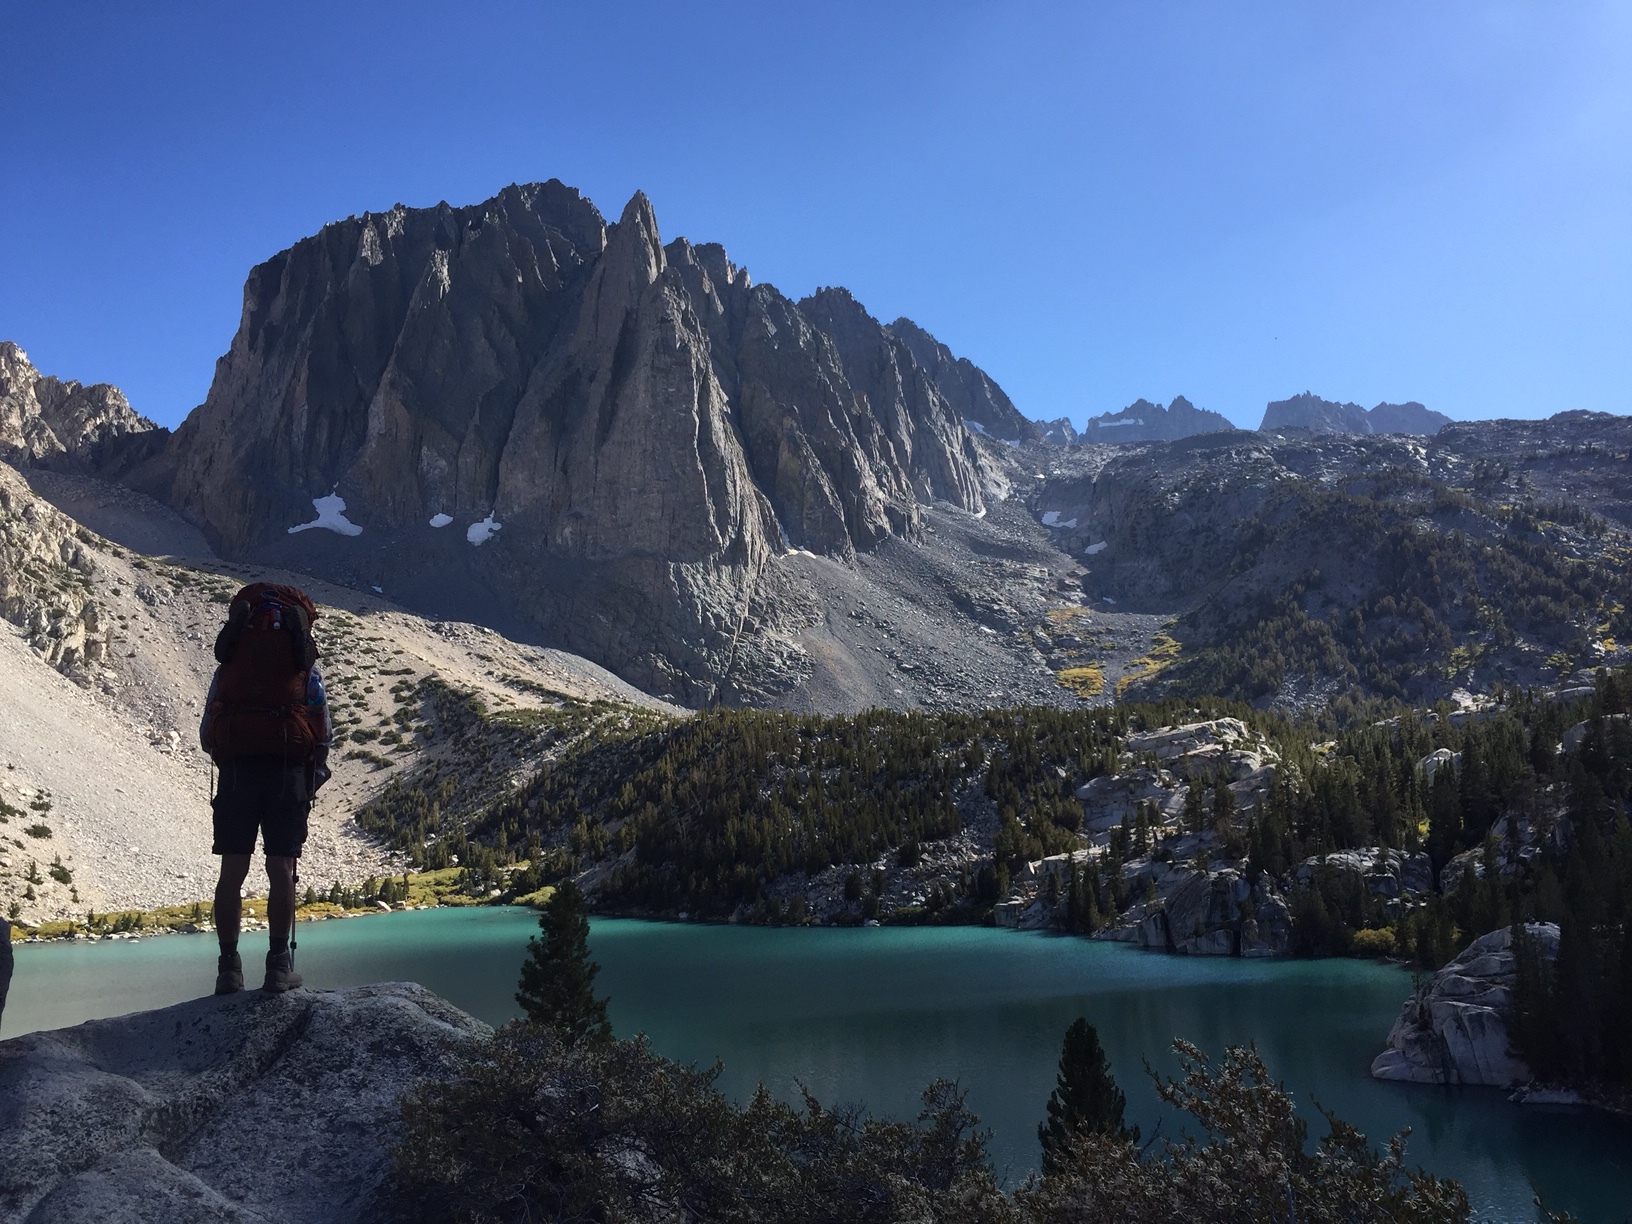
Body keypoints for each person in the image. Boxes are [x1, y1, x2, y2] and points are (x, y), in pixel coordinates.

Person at [199, 582, 332, 994]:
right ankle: (278, 967)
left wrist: (234, 759)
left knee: (231, 874)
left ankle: (228, 970)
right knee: (282, 871)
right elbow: (324, 731)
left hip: (238, 774)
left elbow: (207, 734)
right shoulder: (305, 672)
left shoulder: (228, 670)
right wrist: (313, 775)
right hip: (288, 772)